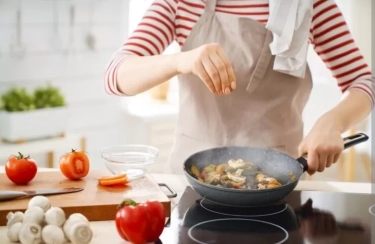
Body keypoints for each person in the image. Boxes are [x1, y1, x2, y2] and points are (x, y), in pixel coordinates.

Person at [104, 0, 373, 175]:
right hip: (192, 179)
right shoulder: (181, 4)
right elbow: (116, 75)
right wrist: (179, 60)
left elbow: (363, 81)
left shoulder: (309, 5)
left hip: (279, 180)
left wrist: (333, 121)